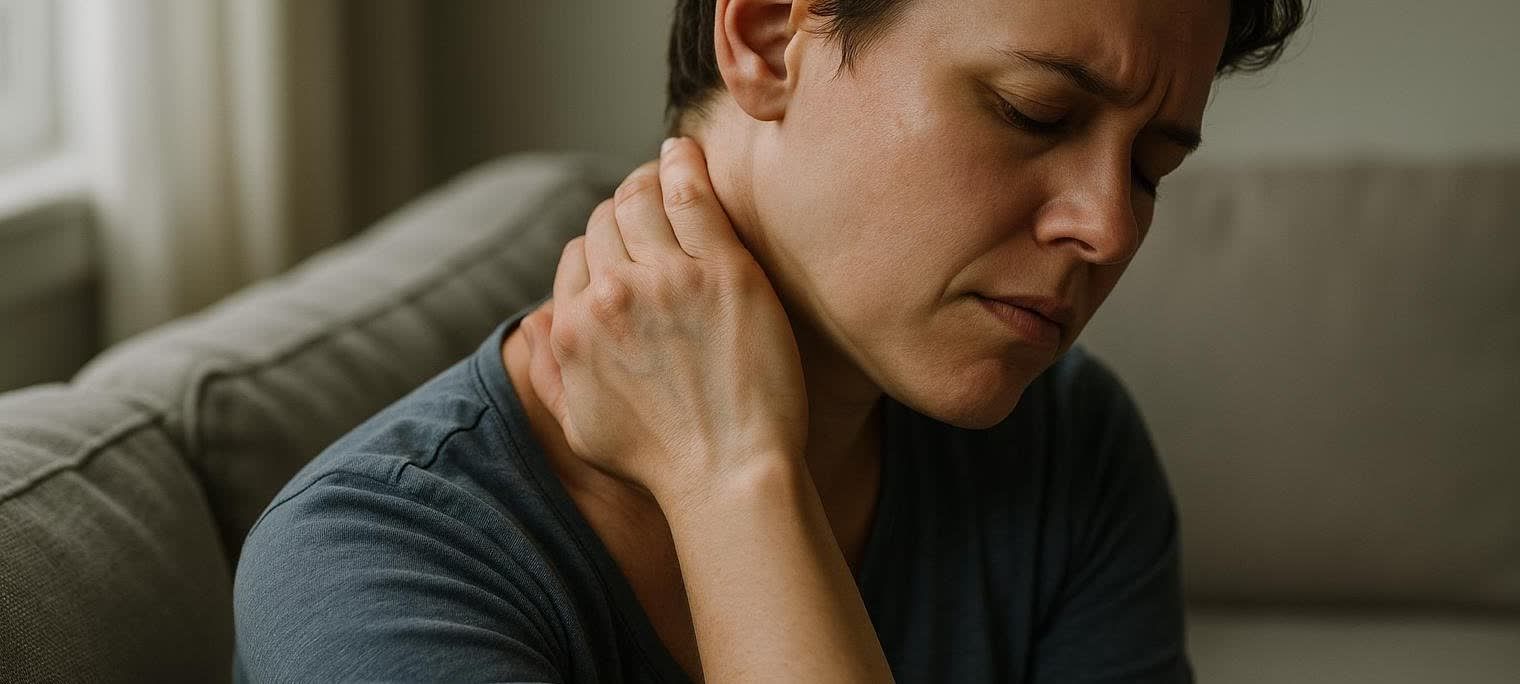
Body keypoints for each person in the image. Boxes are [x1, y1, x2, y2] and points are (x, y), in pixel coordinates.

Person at [233, 0, 1306, 681]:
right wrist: (729, 476)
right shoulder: (373, 568)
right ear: (763, 39)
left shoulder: (1069, 449)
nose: (1108, 226)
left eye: (1149, 169)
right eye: (1033, 111)